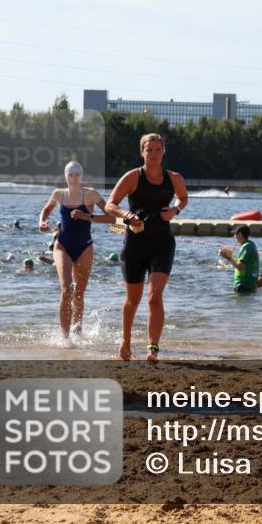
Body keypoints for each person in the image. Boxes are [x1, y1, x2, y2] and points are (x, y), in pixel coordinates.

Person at [105, 133, 189, 363]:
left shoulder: (174, 178)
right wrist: (127, 215)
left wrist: (175, 211)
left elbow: (183, 198)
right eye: (148, 150)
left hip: (162, 243)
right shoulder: (132, 177)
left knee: (154, 296)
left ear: (164, 152)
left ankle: (153, 348)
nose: (153, 154)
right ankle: (126, 341)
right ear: (142, 152)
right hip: (134, 244)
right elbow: (110, 204)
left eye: (157, 149)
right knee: (133, 299)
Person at [39, 161, 113, 341]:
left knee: (79, 292)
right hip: (62, 244)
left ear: (82, 176)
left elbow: (111, 217)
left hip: (84, 246)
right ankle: (64, 338)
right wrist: (42, 222)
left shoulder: (91, 194)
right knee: (66, 289)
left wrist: (87, 216)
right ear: (65, 176)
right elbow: (46, 209)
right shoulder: (58, 194)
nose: (73, 178)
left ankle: (77, 329)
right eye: (70, 174)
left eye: (77, 175)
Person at [219, 225, 260, 293]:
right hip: (250, 285)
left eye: (235, 234)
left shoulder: (246, 247)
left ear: (240, 234)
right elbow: (243, 264)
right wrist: (230, 256)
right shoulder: (251, 245)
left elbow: (240, 266)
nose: (234, 237)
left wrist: (227, 257)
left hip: (243, 285)